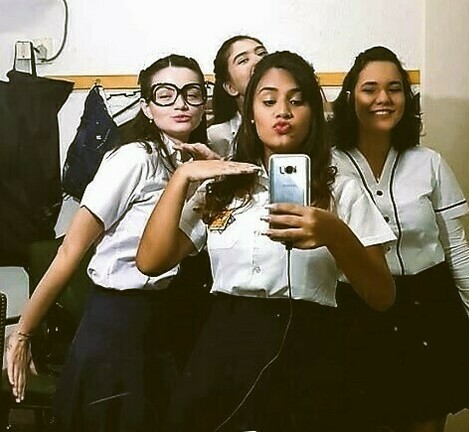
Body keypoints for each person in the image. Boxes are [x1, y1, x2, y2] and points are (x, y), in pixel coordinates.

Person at [137, 50, 397, 432]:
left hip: (309, 348)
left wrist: (333, 233)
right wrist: (182, 178)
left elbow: (383, 296)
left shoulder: (341, 190)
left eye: (297, 101)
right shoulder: (225, 186)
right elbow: (150, 261)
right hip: (224, 348)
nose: (283, 112)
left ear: (313, 114)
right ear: (250, 113)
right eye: (269, 100)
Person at [6, 53, 219, 431]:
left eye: (192, 93)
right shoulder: (133, 159)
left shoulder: (192, 166)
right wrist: (22, 333)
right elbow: (70, 249)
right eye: (165, 94)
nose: (181, 103)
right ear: (147, 107)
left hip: (162, 320)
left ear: (204, 105)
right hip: (115, 321)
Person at [329, 46, 469, 432]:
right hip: (354, 311)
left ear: (407, 98)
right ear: (350, 96)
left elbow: (456, 248)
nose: (383, 98)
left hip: (429, 309)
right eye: (370, 89)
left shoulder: (429, 162)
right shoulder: (327, 164)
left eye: (395, 89)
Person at [207, 35, 268, 157]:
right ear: (231, 87)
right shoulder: (217, 138)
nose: (258, 60)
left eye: (262, 54)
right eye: (243, 60)